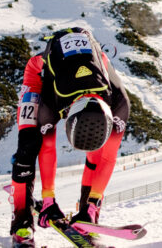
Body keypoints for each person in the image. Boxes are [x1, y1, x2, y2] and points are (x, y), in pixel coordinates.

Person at [9, 27, 130, 247]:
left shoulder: (120, 105)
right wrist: (48, 199)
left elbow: (108, 158)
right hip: (38, 77)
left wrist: (91, 205)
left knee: (98, 154)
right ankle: (21, 224)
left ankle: (89, 213)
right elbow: (47, 149)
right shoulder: (50, 105)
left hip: (92, 74)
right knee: (27, 149)